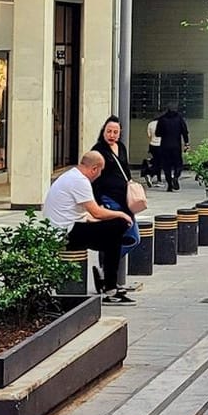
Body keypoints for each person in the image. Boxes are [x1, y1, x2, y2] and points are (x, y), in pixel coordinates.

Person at [44, 151, 137, 304]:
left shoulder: (71, 175)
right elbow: (96, 212)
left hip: (64, 229)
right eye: (100, 171)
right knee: (118, 226)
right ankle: (110, 288)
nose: (99, 175)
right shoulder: (80, 181)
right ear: (94, 169)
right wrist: (121, 214)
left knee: (112, 239)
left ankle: (109, 284)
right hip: (66, 234)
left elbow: (85, 215)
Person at [89, 116, 141, 288]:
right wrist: (98, 203)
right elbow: (93, 179)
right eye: (109, 131)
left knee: (134, 238)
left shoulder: (121, 147)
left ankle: (105, 268)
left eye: (115, 132)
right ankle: (108, 277)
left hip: (124, 200)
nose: (112, 135)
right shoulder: (98, 151)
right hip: (109, 200)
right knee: (115, 238)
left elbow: (126, 171)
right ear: (103, 132)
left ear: (120, 133)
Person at [154, 105, 189, 192]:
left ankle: (169, 185)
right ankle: (176, 177)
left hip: (164, 146)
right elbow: (184, 131)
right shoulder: (179, 119)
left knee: (167, 166)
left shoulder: (162, 119)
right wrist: (186, 143)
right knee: (178, 165)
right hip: (176, 146)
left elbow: (157, 133)